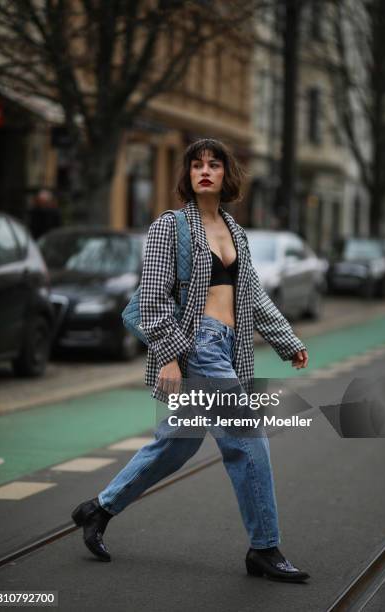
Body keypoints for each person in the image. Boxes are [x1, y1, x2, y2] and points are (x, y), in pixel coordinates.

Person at [71, 138, 310, 582]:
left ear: (226, 175)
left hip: (228, 346)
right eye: (196, 164)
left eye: (214, 164)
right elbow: (156, 299)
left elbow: (252, 294)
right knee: (248, 440)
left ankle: (98, 509)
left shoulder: (234, 231)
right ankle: (264, 548)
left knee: (176, 444)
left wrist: (286, 339)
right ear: (187, 175)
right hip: (195, 343)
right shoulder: (170, 227)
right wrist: (169, 357)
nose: (204, 171)